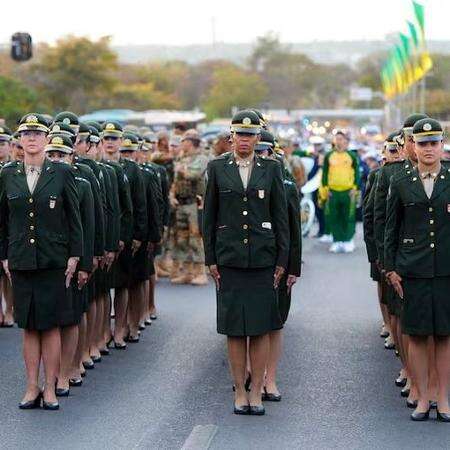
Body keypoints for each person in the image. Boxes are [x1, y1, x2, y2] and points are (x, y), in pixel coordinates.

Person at [203, 110, 289, 416]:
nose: (244, 140)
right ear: (231, 137)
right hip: (230, 259)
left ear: (258, 138)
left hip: (263, 259)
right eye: (240, 134)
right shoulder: (216, 168)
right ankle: (239, 390)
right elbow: (209, 217)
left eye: (250, 135)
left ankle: (256, 391)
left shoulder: (272, 168)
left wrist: (283, 259)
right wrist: (210, 258)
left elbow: (281, 217)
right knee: (235, 329)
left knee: (261, 327)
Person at [0, 113, 83, 410]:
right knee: (29, 326)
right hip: (21, 259)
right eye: (26, 134)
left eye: (37, 134)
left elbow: (74, 217)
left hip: (53, 259)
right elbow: (3, 219)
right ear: (19, 141)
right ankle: (31, 386)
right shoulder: (8, 174)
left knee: (50, 325)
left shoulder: (61, 173)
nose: (31, 139)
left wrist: (76, 255)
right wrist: (4, 255)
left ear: (47, 139)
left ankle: (50, 387)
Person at [384, 118, 450, 422]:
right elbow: (391, 229)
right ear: (415, 145)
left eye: (433, 143)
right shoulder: (401, 181)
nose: (428, 149)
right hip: (413, 270)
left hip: (447, 270)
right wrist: (391, 269)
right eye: (422, 143)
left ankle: (443, 397)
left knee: (445, 336)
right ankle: (423, 397)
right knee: (419, 336)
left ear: (441, 145)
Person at [44, 134, 94, 397]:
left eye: (61, 155)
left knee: (69, 316)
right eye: (51, 154)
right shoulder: (38, 181)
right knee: (47, 320)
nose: (55, 159)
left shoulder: (82, 183)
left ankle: (66, 371)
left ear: (72, 156)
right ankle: (49, 375)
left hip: (71, 260)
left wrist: (84, 263)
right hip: (46, 260)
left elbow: (86, 225)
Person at [254, 130, 302, 401]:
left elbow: (293, 229)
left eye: (265, 151)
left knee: (275, 323)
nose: (260, 156)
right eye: (257, 151)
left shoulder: (284, 184)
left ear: (273, 153)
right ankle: (251, 373)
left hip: (279, 263)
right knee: (251, 323)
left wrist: (293, 267)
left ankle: (269, 379)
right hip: (252, 262)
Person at [170, 130, 209, 285]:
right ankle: (187, 272)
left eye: (184, 140)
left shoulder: (202, 158)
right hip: (180, 202)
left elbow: (195, 174)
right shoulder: (182, 157)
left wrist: (181, 170)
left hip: (194, 203)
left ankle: (200, 272)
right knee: (182, 239)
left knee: (195, 238)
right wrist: (172, 195)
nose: (181, 143)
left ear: (191, 142)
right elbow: (175, 180)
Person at [322, 131, 360, 253]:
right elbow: (324, 174)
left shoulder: (351, 156)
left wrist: (355, 188)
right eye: (337, 139)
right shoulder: (329, 156)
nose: (339, 141)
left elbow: (357, 174)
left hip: (348, 192)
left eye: (341, 139)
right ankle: (337, 241)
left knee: (348, 216)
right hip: (333, 192)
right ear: (334, 141)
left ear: (345, 141)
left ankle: (348, 240)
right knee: (334, 216)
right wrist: (326, 189)